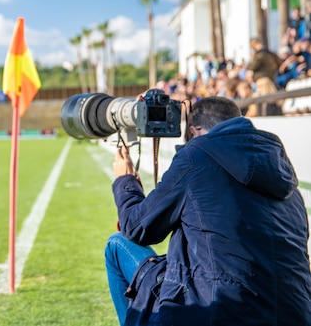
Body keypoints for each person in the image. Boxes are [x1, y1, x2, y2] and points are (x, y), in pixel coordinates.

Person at [104, 96, 311, 326]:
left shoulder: (195, 157)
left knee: (117, 245)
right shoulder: (283, 172)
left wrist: (125, 181)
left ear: (195, 130)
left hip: (221, 314)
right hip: (296, 314)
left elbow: (136, 227)